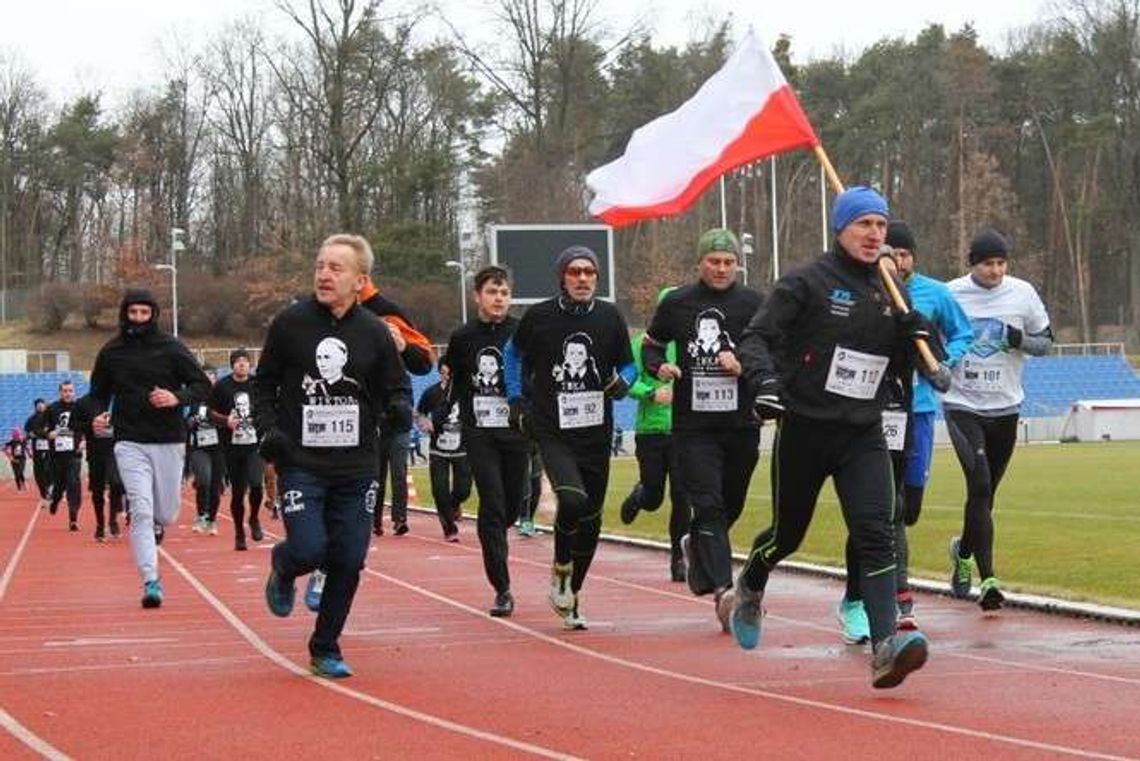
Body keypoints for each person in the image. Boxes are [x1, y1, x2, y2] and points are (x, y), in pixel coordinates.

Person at [732, 186, 944, 689]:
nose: (874, 235)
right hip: (805, 428)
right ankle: (752, 581)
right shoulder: (805, 282)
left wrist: (919, 337)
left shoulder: (891, 292)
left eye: (881, 226)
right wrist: (762, 382)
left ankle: (886, 645)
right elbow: (756, 338)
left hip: (862, 432)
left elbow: (913, 360)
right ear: (840, 228)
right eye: (863, 225)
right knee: (788, 534)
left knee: (876, 532)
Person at [256, 233, 411, 679]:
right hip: (302, 462)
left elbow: (396, 385)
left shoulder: (374, 333)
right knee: (309, 548)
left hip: (357, 467)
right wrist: (270, 431)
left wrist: (400, 408)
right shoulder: (290, 323)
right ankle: (283, 565)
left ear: (360, 281)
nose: (324, 274)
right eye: (320, 265)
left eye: (336, 268)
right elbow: (264, 385)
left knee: (348, 558)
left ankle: (325, 645)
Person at [836, 221, 973, 640]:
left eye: (903, 253)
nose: (895, 259)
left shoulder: (933, 295)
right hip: (867, 417)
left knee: (906, 509)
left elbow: (959, 335)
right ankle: (889, 597)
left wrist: (939, 363)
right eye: (888, 252)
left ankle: (877, 590)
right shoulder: (858, 293)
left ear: (912, 257)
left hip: (917, 414)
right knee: (882, 510)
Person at [506, 247, 635, 629]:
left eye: (590, 272)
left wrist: (624, 382)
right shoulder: (539, 316)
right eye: (575, 271)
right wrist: (515, 399)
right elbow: (511, 355)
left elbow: (628, 364)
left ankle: (572, 592)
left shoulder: (610, 316)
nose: (583, 278)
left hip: (596, 432)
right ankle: (562, 564)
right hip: (553, 428)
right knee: (572, 499)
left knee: (592, 519)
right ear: (562, 276)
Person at [642, 230, 764, 630]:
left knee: (732, 502)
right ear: (700, 263)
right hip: (693, 426)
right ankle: (725, 592)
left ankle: (697, 544)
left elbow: (773, 352)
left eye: (728, 262)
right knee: (708, 503)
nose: (722, 268)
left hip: (742, 423)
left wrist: (744, 366)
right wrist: (659, 367)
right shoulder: (678, 303)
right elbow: (651, 346)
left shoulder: (754, 304)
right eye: (714, 261)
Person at [943, 228, 1052, 611]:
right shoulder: (951, 293)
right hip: (961, 403)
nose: (995, 271)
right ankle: (988, 579)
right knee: (981, 482)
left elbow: (1045, 344)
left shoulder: (1022, 294)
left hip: (1005, 406)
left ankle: (963, 550)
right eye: (988, 263)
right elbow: (927, 336)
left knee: (984, 496)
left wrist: (1018, 338)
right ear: (973, 263)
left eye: (1001, 263)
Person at [89, 288, 211, 608]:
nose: (139, 319)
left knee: (166, 513)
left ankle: (159, 523)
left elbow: (202, 385)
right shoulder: (112, 352)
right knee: (140, 510)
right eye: (133, 313)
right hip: (129, 441)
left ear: (154, 315)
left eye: (145, 313)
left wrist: (176, 398)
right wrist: (96, 416)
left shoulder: (171, 348)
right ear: (124, 314)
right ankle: (151, 580)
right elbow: (97, 394)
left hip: (168, 439)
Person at [444, 265, 530, 616]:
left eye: (505, 293)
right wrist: (445, 415)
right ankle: (503, 588)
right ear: (477, 295)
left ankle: (496, 526)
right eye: (492, 292)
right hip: (480, 432)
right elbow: (455, 383)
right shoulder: (463, 337)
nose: (499, 299)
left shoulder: (522, 332)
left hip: (516, 432)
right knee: (493, 505)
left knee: (510, 506)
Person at [620, 286, 690, 583]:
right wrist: (649, 392)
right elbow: (624, 381)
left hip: (685, 432)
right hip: (651, 431)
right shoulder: (640, 345)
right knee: (655, 497)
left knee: (682, 497)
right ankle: (640, 495)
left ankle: (678, 558)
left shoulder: (691, 343)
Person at [359, 272, 433, 537]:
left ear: (362, 276)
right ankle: (373, 519)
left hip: (397, 410)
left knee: (399, 471)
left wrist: (402, 346)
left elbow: (425, 361)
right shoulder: (327, 312)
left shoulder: (389, 312)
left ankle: (399, 518)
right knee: (372, 474)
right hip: (361, 411)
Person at [210, 349, 266, 550]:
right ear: (232, 365)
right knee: (238, 491)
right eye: (238, 362)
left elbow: (267, 407)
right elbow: (209, 412)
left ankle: (254, 518)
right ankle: (239, 533)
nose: (242, 365)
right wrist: (226, 420)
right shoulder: (222, 386)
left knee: (256, 484)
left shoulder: (256, 384)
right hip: (232, 446)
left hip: (254, 444)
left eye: (245, 361)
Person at [415, 361, 472, 541]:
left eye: (451, 374)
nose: (447, 377)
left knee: (463, 490)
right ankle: (449, 528)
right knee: (439, 490)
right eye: (444, 373)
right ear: (440, 373)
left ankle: (453, 505)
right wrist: (425, 424)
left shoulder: (466, 391)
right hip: (438, 448)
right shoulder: (432, 392)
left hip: (462, 448)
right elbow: (419, 413)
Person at [77, 392, 126, 542]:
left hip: (116, 450)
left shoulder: (122, 397)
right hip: (96, 452)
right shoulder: (85, 401)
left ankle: (112, 520)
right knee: (97, 491)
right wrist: (90, 425)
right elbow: (74, 424)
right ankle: (100, 524)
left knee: (117, 483)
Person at [188, 366, 226, 536]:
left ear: (216, 378)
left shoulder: (223, 397)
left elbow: (230, 419)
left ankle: (211, 519)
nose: (209, 379)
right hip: (200, 446)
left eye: (212, 375)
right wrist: (191, 421)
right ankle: (200, 515)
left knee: (215, 485)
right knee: (203, 480)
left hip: (219, 447)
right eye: (205, 376)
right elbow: (186, 419)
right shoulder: (196, 397)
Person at [45, 380, 84, 530]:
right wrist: (48, 433)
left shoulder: (80, 408)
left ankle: (73, 518)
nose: (68, 393)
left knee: (73, 483)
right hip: (57, 456)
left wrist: (84, 441)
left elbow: (87, 426)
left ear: (74, 392)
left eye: (70, 391)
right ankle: (55, 500)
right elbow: (38, 427)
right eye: (65, 391)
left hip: (74, 454)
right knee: (59, 487)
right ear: (60, 392)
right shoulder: (52, 409)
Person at [25, 399, 53, 508]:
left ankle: (49, 489)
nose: (40, 407)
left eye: (42, 405)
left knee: (48, 470)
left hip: (49, 449)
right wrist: (31, 435)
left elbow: (55, 430)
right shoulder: (31, 419)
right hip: (37, 450)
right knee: (38, 473)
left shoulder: (50, 417)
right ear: (35, 407)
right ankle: (44, 494)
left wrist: (47, 434)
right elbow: (27, 433)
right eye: (38, 405)